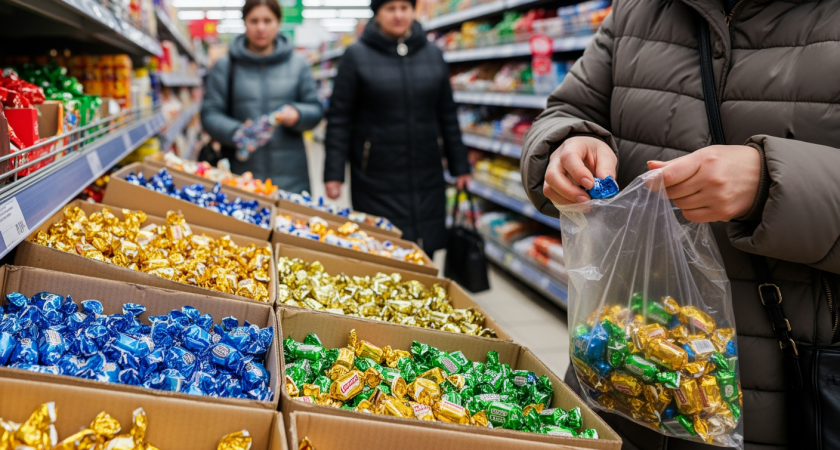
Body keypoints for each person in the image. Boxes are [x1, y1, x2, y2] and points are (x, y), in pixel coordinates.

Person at [521, 1, 840, 449]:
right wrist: (564, 146)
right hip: (619, 377)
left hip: (780, 399)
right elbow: (565, 109)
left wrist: (774, 182)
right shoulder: (639, 8)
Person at [323, 0, 470, 256]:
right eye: (390, 9)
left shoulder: (432, 54)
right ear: (377, 14)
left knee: (425, 249)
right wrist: (334, 172)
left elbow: (447, 114)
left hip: (426, 170)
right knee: (383, 249)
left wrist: (460, 166)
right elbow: (339, 118)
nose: (398, 15)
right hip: (375, 174)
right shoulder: (356, 56)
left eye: (405, 7)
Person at [201, 0, 323, 194]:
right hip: (241, 177)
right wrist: (237, 131)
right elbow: (209, 113)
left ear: (278, 22)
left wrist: (298, 114)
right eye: (254, 20)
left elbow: (316, 109)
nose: (260, 27)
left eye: (268, 20)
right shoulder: (225, 66)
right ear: (244, 22)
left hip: (290, 177)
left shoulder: (299, 65)